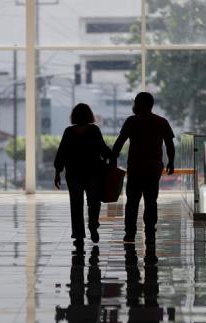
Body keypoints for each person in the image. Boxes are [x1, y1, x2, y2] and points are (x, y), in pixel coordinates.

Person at [111, 92, 175, 244]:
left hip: (135, 169)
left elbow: (120, 142)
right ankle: (150, 232)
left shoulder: (131, 121)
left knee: (132, 202)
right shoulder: (161, 122)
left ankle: (130, 233)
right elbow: (169, 144)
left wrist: (113, 159)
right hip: (153, 170)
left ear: (139, 104)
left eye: (135, 103)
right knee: (151, 201)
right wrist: (171, 162)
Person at [54, 103, 112, 245]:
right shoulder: (94, 130)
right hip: (92, 172)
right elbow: (102, 149)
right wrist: (111, 155)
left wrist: (57, 172)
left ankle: (79, 234)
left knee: (76, 203)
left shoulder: (68, 132)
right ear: (89, 115)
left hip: (73, 173)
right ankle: (93, 225)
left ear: (74, 116)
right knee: (93, 201)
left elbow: (61, 153)